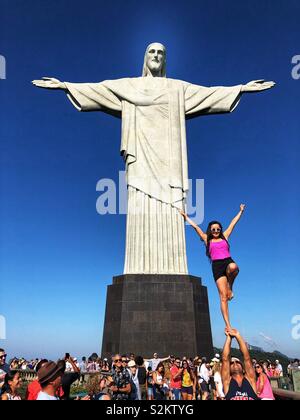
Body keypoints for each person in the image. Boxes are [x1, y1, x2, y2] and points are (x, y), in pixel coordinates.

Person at [181, 205, 245, 331]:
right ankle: (227, 325)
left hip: (227, 261)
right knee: (222, 297)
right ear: (211, 230)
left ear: (220, 230)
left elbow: (233, 223)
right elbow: (196, 227)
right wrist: (186, 217)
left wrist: (241, 212)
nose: (216, 231)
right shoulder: (207, 239)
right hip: (216, 266)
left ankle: (230, 287)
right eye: (213, 229)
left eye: (218, 229)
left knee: (233, 267)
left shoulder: (225, 236)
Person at [221, 329, 259, 400]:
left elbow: (247, 357)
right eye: (232, 363)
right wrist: (229, 337)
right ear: (229, 369)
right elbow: (225, 359)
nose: (235, 363)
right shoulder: (228, 382)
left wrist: (238, 335)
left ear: (243, 368)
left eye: (237, 362)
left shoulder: (250, 380)